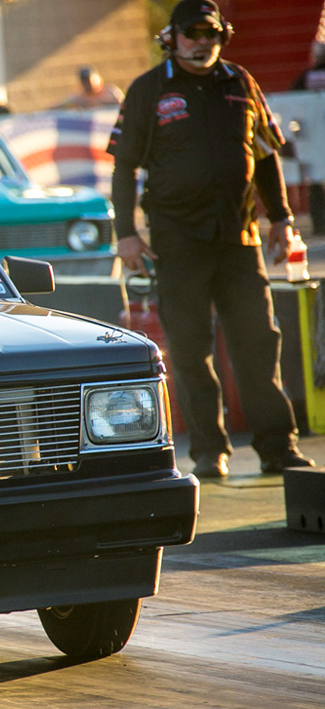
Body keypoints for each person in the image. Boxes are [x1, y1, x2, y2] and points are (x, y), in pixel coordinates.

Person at [107, 0, 314, 479]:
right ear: (172, 38)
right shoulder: (147, 90)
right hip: (177, 241)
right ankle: (208, 450)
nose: (203, 42)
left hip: (238, 238)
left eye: (213, 34)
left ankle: (278, 447)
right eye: (193, 33)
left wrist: (281, 219)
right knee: (190, 348)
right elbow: (123, 166)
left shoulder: (241, 82)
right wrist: (126, 235)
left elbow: (265, 156)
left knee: (259, 343)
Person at [290, 41, 325, 235]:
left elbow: (292, 104)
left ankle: (320, 225)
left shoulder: (305, 78)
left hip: (314, 138)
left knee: (315, 183)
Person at [54, 66, 125, 110]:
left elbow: (124, 106)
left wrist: (99, 103)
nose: (88, 84)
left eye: (89, 80)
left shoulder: (112, 93)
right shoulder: (78, 98)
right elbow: (61, 106)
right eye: (84, 82)